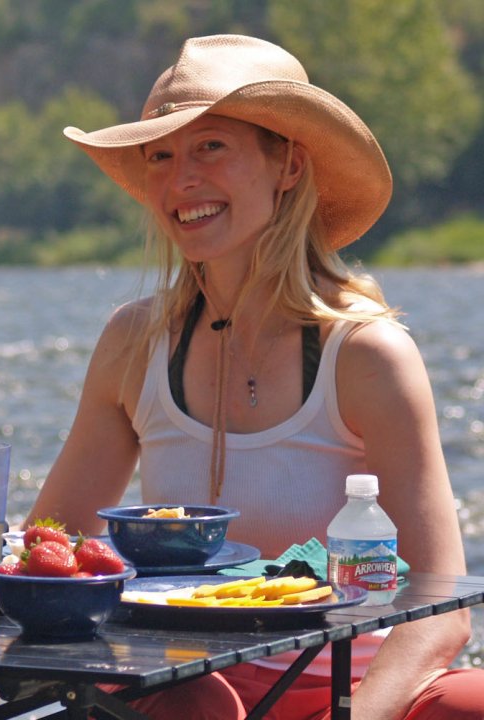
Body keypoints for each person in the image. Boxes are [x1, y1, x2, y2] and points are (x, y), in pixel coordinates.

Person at [26, 35, 482, 719]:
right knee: (198, 705)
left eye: (210, 147)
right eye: (161, 155)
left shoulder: (366, 355)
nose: (181, 180)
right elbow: (47, 548)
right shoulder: (132, 342)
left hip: (347, 691)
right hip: (176, 686)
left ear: (288, 165)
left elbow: (440, 612)